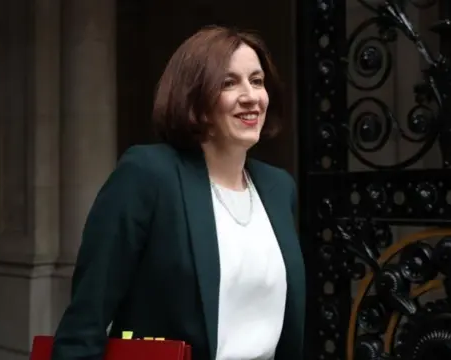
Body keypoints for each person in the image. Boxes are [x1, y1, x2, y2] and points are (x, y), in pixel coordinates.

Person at [50, 26, 305, 360]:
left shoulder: (278, 188)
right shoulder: (148, 175)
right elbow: (86, 320)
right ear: (195, 100)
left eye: (256, 81)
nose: (251, 96)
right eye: (229, 83)